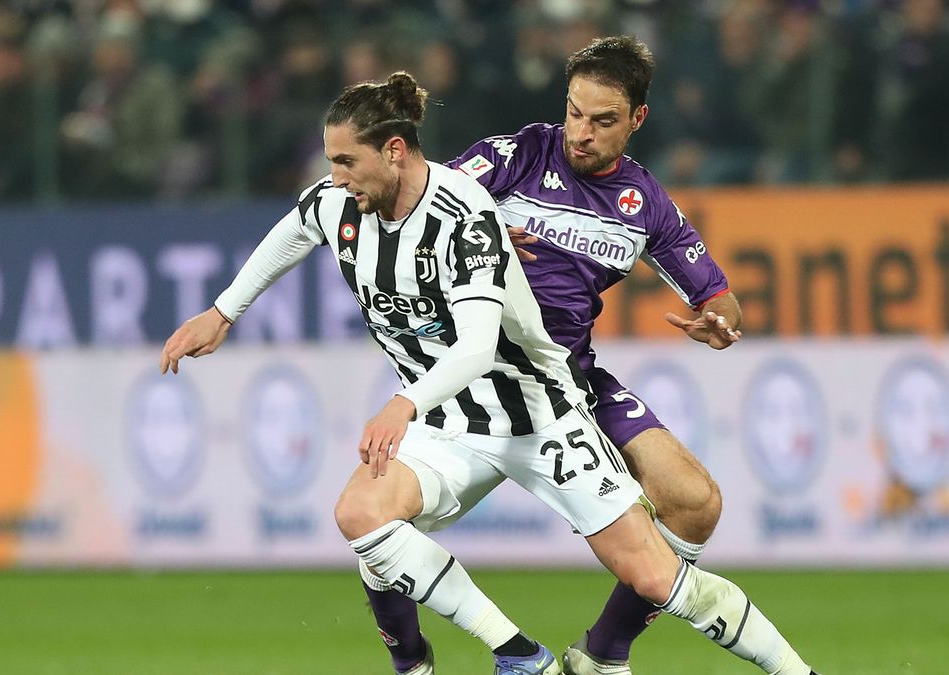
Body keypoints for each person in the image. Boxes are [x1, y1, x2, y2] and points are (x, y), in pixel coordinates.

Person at [160, 71, 815, 675]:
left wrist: (401, 404)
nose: (335, 178)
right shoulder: (347, 202)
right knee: (363, 513)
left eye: (345, 162)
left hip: (537, 408)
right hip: (448, 417)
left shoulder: (467, 218)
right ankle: (510, 653)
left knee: (655, 575)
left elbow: (475, 346)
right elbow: (299, 223)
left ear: (391, 152)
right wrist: (223, 311)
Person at [360, 36, 802, 675]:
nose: (581, 133)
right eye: (574, 112)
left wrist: (720, 322)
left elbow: (720, 296)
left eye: (602, 121)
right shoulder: (514, 157)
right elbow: (428, 202)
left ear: (637, 120)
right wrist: (467, 227)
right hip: (465, 382)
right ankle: (410, 661)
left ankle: (602, 656)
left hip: (564, 383)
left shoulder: (644, 204)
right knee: (373, 514)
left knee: (695, 502)